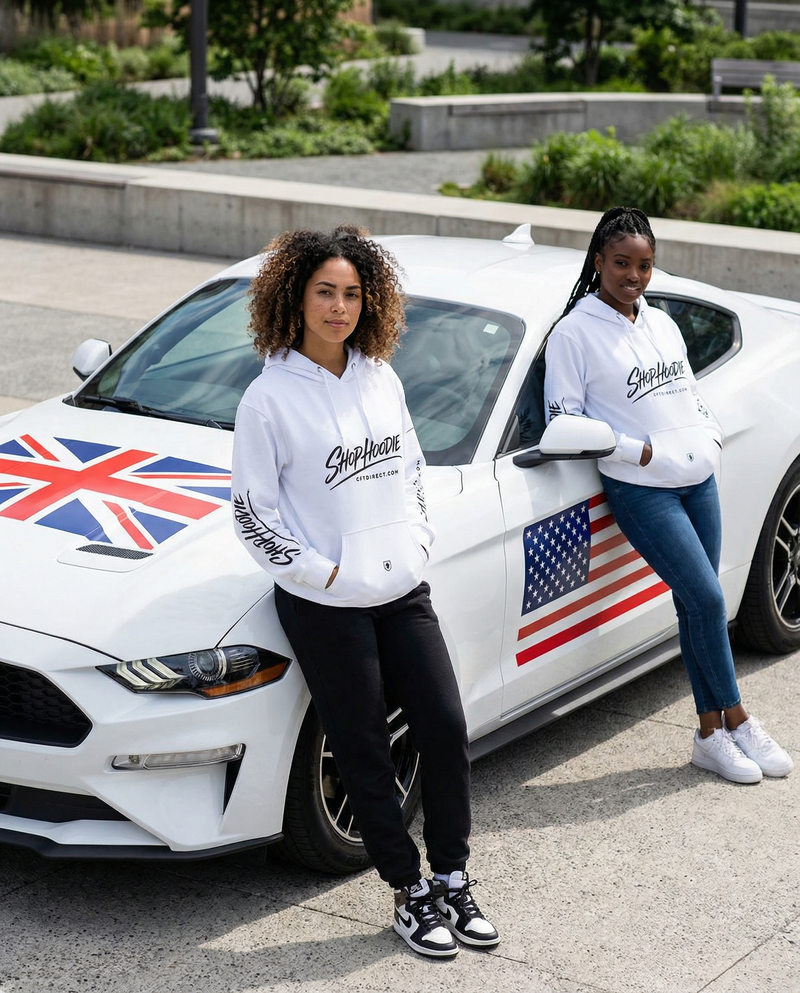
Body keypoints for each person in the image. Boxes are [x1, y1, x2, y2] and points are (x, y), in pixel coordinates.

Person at [231, 225, 499, 958]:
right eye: (325, 292)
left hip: (400, 585)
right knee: (365, 750)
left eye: (351, 293)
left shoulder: (381, 375)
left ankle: (452, 873)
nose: (339, 307)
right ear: (296, 295)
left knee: (443, 725)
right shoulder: (268, 398)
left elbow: (412, 469)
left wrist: (415, 542)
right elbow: (253, 513)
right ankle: (410, 892)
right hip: (324, 601)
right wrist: (320, 573)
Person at [544, 206, 793, 785]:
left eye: (645, 265)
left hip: (699, 479)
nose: (634, 275)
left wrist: (706, 432)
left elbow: (687, 389)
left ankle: (711, 735)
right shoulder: (574, 333)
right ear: (599, 261)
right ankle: (736, 717)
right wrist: (639, 453)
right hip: (643, 489)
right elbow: (562, 421)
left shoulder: (659, 323)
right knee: (708, 599)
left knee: (694, 604)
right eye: (622, 263)